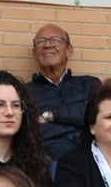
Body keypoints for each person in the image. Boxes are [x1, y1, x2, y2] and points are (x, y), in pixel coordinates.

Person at [30, 23, 102, 161]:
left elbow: (98, 116)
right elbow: (32, 130)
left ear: (69, 50)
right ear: (34, 53)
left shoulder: (89, 84)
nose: (47, 45)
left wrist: (51, 115)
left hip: (94, 155)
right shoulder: (25, 91)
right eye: (40, 41)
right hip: (51, 159)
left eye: (55, 40)